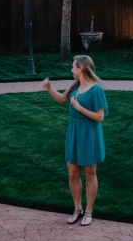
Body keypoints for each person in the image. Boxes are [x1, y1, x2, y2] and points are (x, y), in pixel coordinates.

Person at [42, 55, 108, 227]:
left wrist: (79, 107)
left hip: (89, 133)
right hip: (74, 132)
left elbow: (100, 117)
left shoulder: (96, 89)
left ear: (81, 69)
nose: (71, 69)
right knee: (72, 173)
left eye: (73, 67)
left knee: (89, 173)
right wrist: (50, 88)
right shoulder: (76, 86)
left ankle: (89, 210)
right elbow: (63, 100)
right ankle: (77, 209)